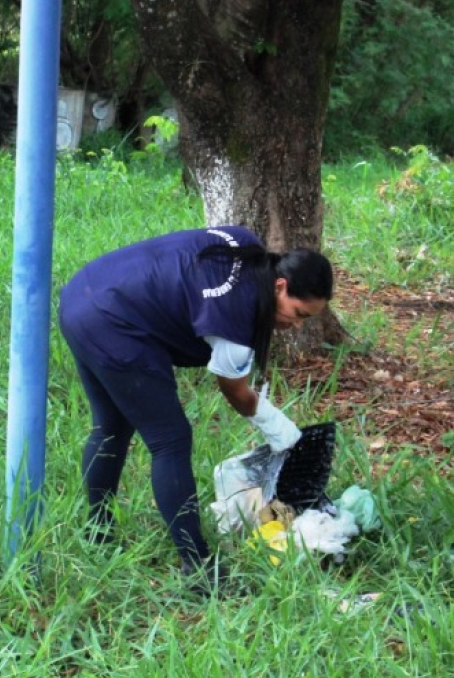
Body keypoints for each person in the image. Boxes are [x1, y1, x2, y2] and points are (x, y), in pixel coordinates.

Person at [58, 226, 333, 581]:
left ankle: (98, 534)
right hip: (115, 321)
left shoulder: (246, 246)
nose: (296, 325)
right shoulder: (237, 319)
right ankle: (198, 567)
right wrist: (281, 430)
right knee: (170, 440)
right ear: (280, 287)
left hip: (84, 294)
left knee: (112, 428)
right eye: (299, 313)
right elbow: (235, 392)